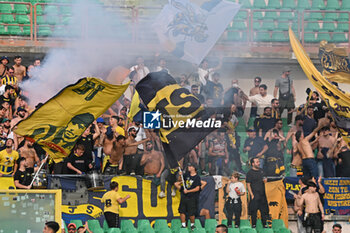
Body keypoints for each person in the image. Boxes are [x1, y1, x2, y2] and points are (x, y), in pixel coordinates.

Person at [175, 163, 201, 231]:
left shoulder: (197, 177)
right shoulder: (186, 175)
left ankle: (192, 225)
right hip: (184, 196)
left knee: (191, 213)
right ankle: (183, 225)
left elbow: (197, 188)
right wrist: (180, 175)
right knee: (182, 211)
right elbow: (179, 180)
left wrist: (188, 191)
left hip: (192, 197)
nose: (189, 167)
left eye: (190, 166)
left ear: (194, 168)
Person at [246, 157, 269, 228]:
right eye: (257, 162)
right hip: (255, 195)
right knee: (253, 212)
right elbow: (248, 184)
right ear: (253, 164)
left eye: (259, 162)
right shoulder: (250, 173)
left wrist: (265, 180)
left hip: (262, 195)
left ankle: (265, 224)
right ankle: (253, 225)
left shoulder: (262, 171)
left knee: (264, 211)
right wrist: (251, 194)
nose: (258, 163)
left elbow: (265, 179)